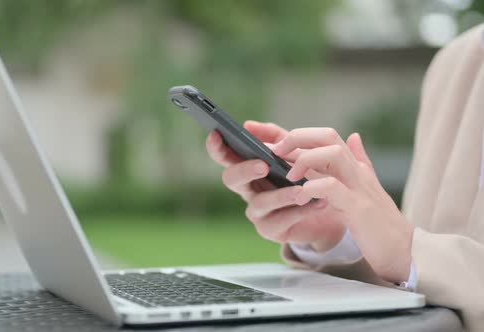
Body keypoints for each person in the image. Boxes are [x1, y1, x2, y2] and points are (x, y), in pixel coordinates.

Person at [205, 25, 484, 331]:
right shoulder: (458, 62)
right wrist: (339, 235)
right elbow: (429, 286)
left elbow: (419, 256)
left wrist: (409, 249)